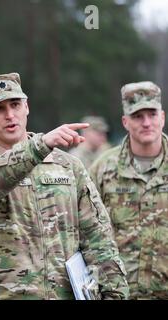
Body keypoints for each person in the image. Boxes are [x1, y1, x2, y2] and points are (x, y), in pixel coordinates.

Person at [0, 73, 129, 300]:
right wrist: (40, 146)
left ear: (26, 107)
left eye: (15, 105)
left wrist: (115, 293)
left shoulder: (67, 166)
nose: (10, 115)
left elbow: (97, 237)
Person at [90, 81, 167, 299]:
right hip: (120, 292)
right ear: (125, 121)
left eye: (151, 114)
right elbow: (84, 230)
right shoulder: (103, 168)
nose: (146, 123)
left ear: (162, 117)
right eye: (137, 116)